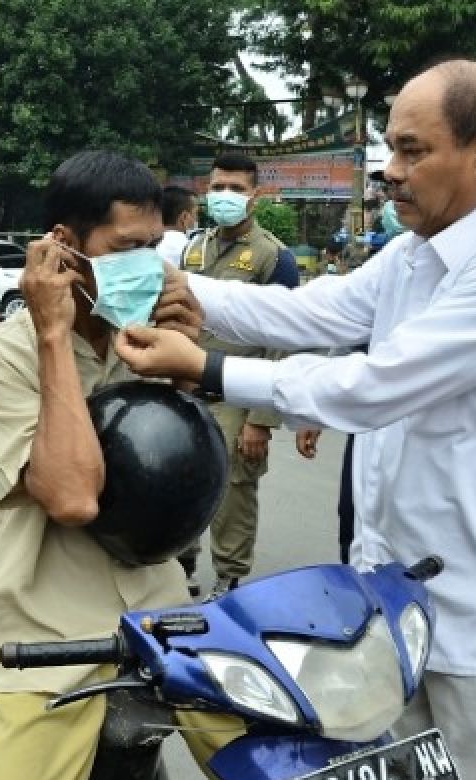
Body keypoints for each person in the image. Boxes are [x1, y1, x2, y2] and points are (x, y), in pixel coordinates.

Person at [114, 59, 476, 780]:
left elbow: (378, 385)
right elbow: (317, 314)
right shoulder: (415, 253)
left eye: (412, 150)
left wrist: (208, 370)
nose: (390, 172)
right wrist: (179, 287)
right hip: (405, 606)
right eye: (389, 152)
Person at [0, 150, 241, 780]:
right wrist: (54, 336)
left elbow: (181, 473)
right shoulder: (0, 357)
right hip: (48, 633)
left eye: (153, 246)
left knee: (279, 761)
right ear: (63, 246)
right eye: (125, 248)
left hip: (163, 612)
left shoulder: (144, 338)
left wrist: (185, 372)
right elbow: (72, 496)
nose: (145, 264)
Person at [179, 152, 299, 600]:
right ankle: (180, 565)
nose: (224, 196)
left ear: (255, 196)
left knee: (233, 491)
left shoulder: (274, 257)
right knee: (180, 476)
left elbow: (284, 339)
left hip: (236, 392)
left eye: (236, 189)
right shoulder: (194, 246)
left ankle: (228, 579)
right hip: (186, 388)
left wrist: (261, 419)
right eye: (217, 187)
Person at [155, 185, 198, 266]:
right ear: (184, 217)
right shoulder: (189, 248)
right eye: (195, 214)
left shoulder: (147, 245)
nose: (196, 220)